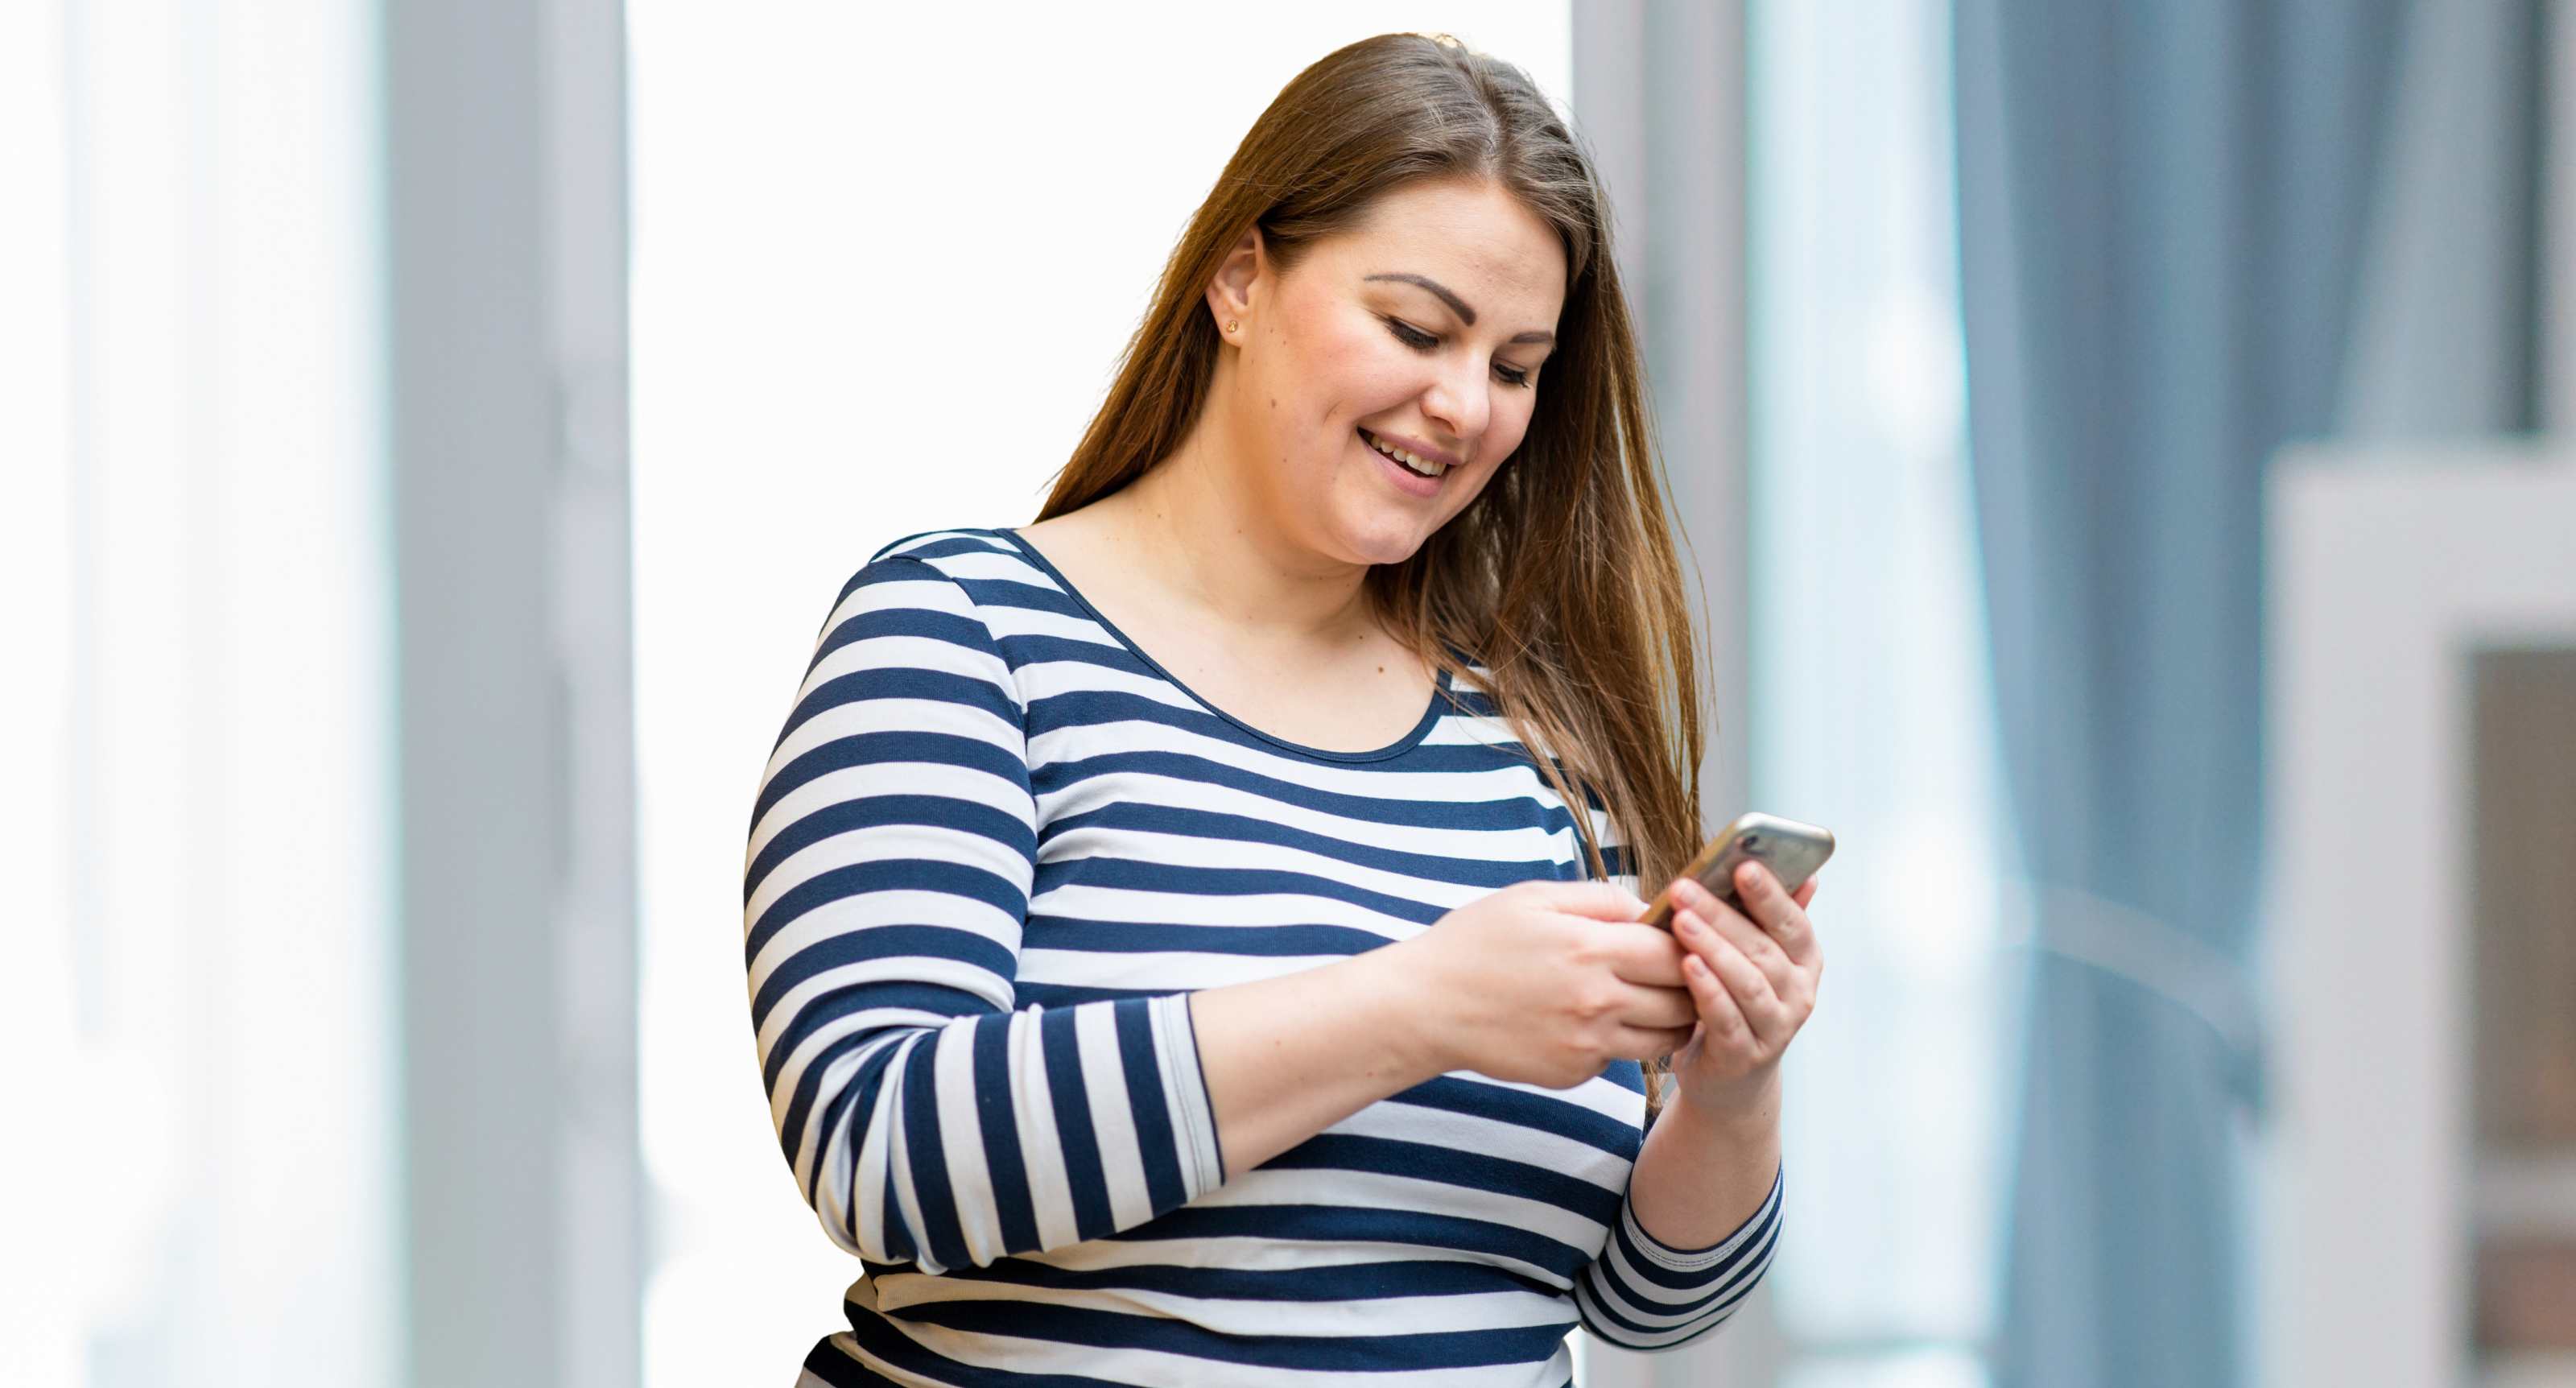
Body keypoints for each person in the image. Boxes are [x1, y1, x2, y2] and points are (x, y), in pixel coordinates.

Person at [742, 31, 1826, 1387]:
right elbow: (883, 1154)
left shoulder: (1539, 748)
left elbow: (1647, 1306)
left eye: (1515, 364)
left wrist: (1733, 1088)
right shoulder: (967, 635)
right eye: (1417, 328)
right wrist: (1415, 1007)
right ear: (1241, 276)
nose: (1463, 405)